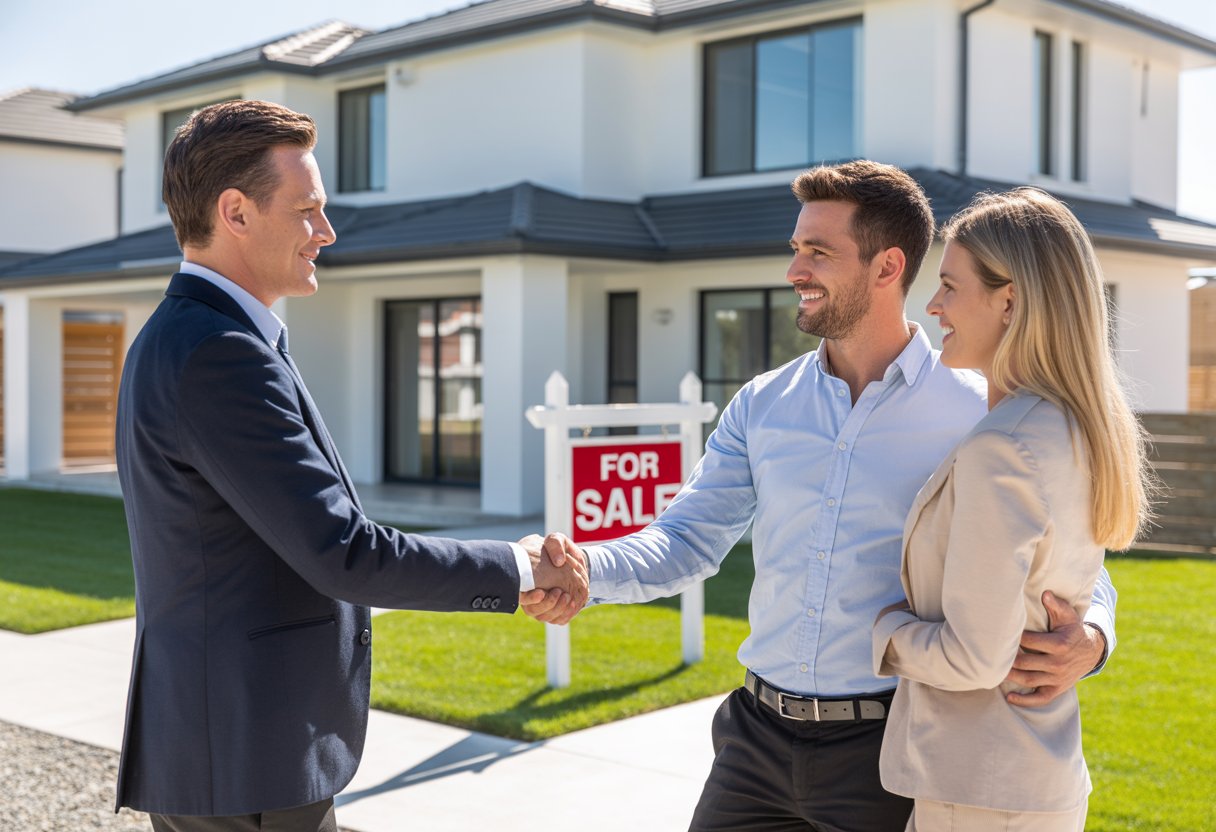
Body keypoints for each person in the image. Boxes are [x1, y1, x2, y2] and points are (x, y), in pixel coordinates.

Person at [523, 161, 1117, 831]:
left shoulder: (983, 408)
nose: (794, 271)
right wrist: (587, 570)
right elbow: (685, 539)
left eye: (818, 252)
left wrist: (1093, 635)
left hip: (888, 749)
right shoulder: (763, 403)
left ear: (887, 267)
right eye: (796, 249)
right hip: (754, 741)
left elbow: (1068, 553)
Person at [114, 100, 585, 832]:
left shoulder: (200, 336)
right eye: (307, 210)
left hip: (237, 751)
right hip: (244, 757)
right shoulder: (219, 353)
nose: (325, 233)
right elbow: (343, 553)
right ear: (235, 212)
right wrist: (521, 567)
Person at [872, 188, 1151, 831]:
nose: (933, 306)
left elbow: (974, 659)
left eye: (949, 286)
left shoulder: (1004, 444)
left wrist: (879, 631)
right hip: (1031, 780)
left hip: (979, 792)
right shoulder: (1074, 427)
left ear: (1011, 300)